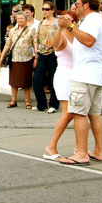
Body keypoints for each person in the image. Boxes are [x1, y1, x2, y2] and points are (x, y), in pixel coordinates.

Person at [57, 0, 102, 165]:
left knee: (79, 113)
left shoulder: (93, 19)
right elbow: (79, 41)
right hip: (95, 74)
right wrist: (66, 27)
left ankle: (82, 153)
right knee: (94, 114)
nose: (75, 6)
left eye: (77, 4)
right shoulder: (94, 20)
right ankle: (99, 151)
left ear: (86, 5)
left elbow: (88, 41)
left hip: (86, 74)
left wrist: (70, 27)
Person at [44, 10, 76, 160]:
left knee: (78, 113)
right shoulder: (61, 34)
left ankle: (79, 147)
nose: (66, 21)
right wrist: (60, 28)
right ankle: (51, 146)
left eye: (69, 19)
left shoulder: (77, 34)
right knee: (68, 113)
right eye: (63, 19)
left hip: (78, 76)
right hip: (64, 76)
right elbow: (55, 45)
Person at [0, 11, 38, 109]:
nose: (20, 20)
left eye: (22, 18)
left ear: (26, 19)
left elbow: (35, 43)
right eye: (18, 18)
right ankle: (13, 100)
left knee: (26, 82)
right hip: (14, 59)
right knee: (14, 82)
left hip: (27, 58)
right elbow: (8, 44)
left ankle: (28, 101)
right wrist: (2, 56)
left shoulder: (31, 30)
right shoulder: (12, 30)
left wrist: (36, 57)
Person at [33, 1, 60, 113]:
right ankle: (41, 104)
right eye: (43, 9)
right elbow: (37, 37)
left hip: (54, 53)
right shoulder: (41, 23)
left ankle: (54, 104)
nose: (44, 11)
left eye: (47, 9)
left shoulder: (58, 23)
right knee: (37, 79)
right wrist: (36, 48)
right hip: (42, 52)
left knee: (53, 79)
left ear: (53, 10)